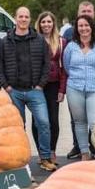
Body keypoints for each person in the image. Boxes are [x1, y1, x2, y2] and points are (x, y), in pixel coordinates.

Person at [0, 6, 55, 171]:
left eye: (26, 17)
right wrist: (6, 86)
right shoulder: (5, 42)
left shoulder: (39, 40)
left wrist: (40, 85)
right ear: (15, 18)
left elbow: (46, 65)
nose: (23, 19)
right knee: (17, 127)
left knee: (43, 122)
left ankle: (44, 158)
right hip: (14, 91)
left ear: (30, 19)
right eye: (20, 16)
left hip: (34, 90)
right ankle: (18, 161)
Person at [62, 1, 95, 160]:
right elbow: (67, 65)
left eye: (86, 25)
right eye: (80, 26)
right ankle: (85, 152)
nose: (83, 28)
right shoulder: (71, 47)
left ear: (92, 27)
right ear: (76, 29)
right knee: (79, 122)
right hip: (75, 88)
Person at [31, 11, 67, 165]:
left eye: (49, 22)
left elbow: (64, 68)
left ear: (53, 24)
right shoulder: (33, 41)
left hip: (53, 84)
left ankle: (51, 150)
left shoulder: (61, 42)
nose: (46, 24)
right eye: (43, 22)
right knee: (37, 120)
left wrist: (62, 89)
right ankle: (41, 152)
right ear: (39, 24)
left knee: (53, 119)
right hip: (37, 85)